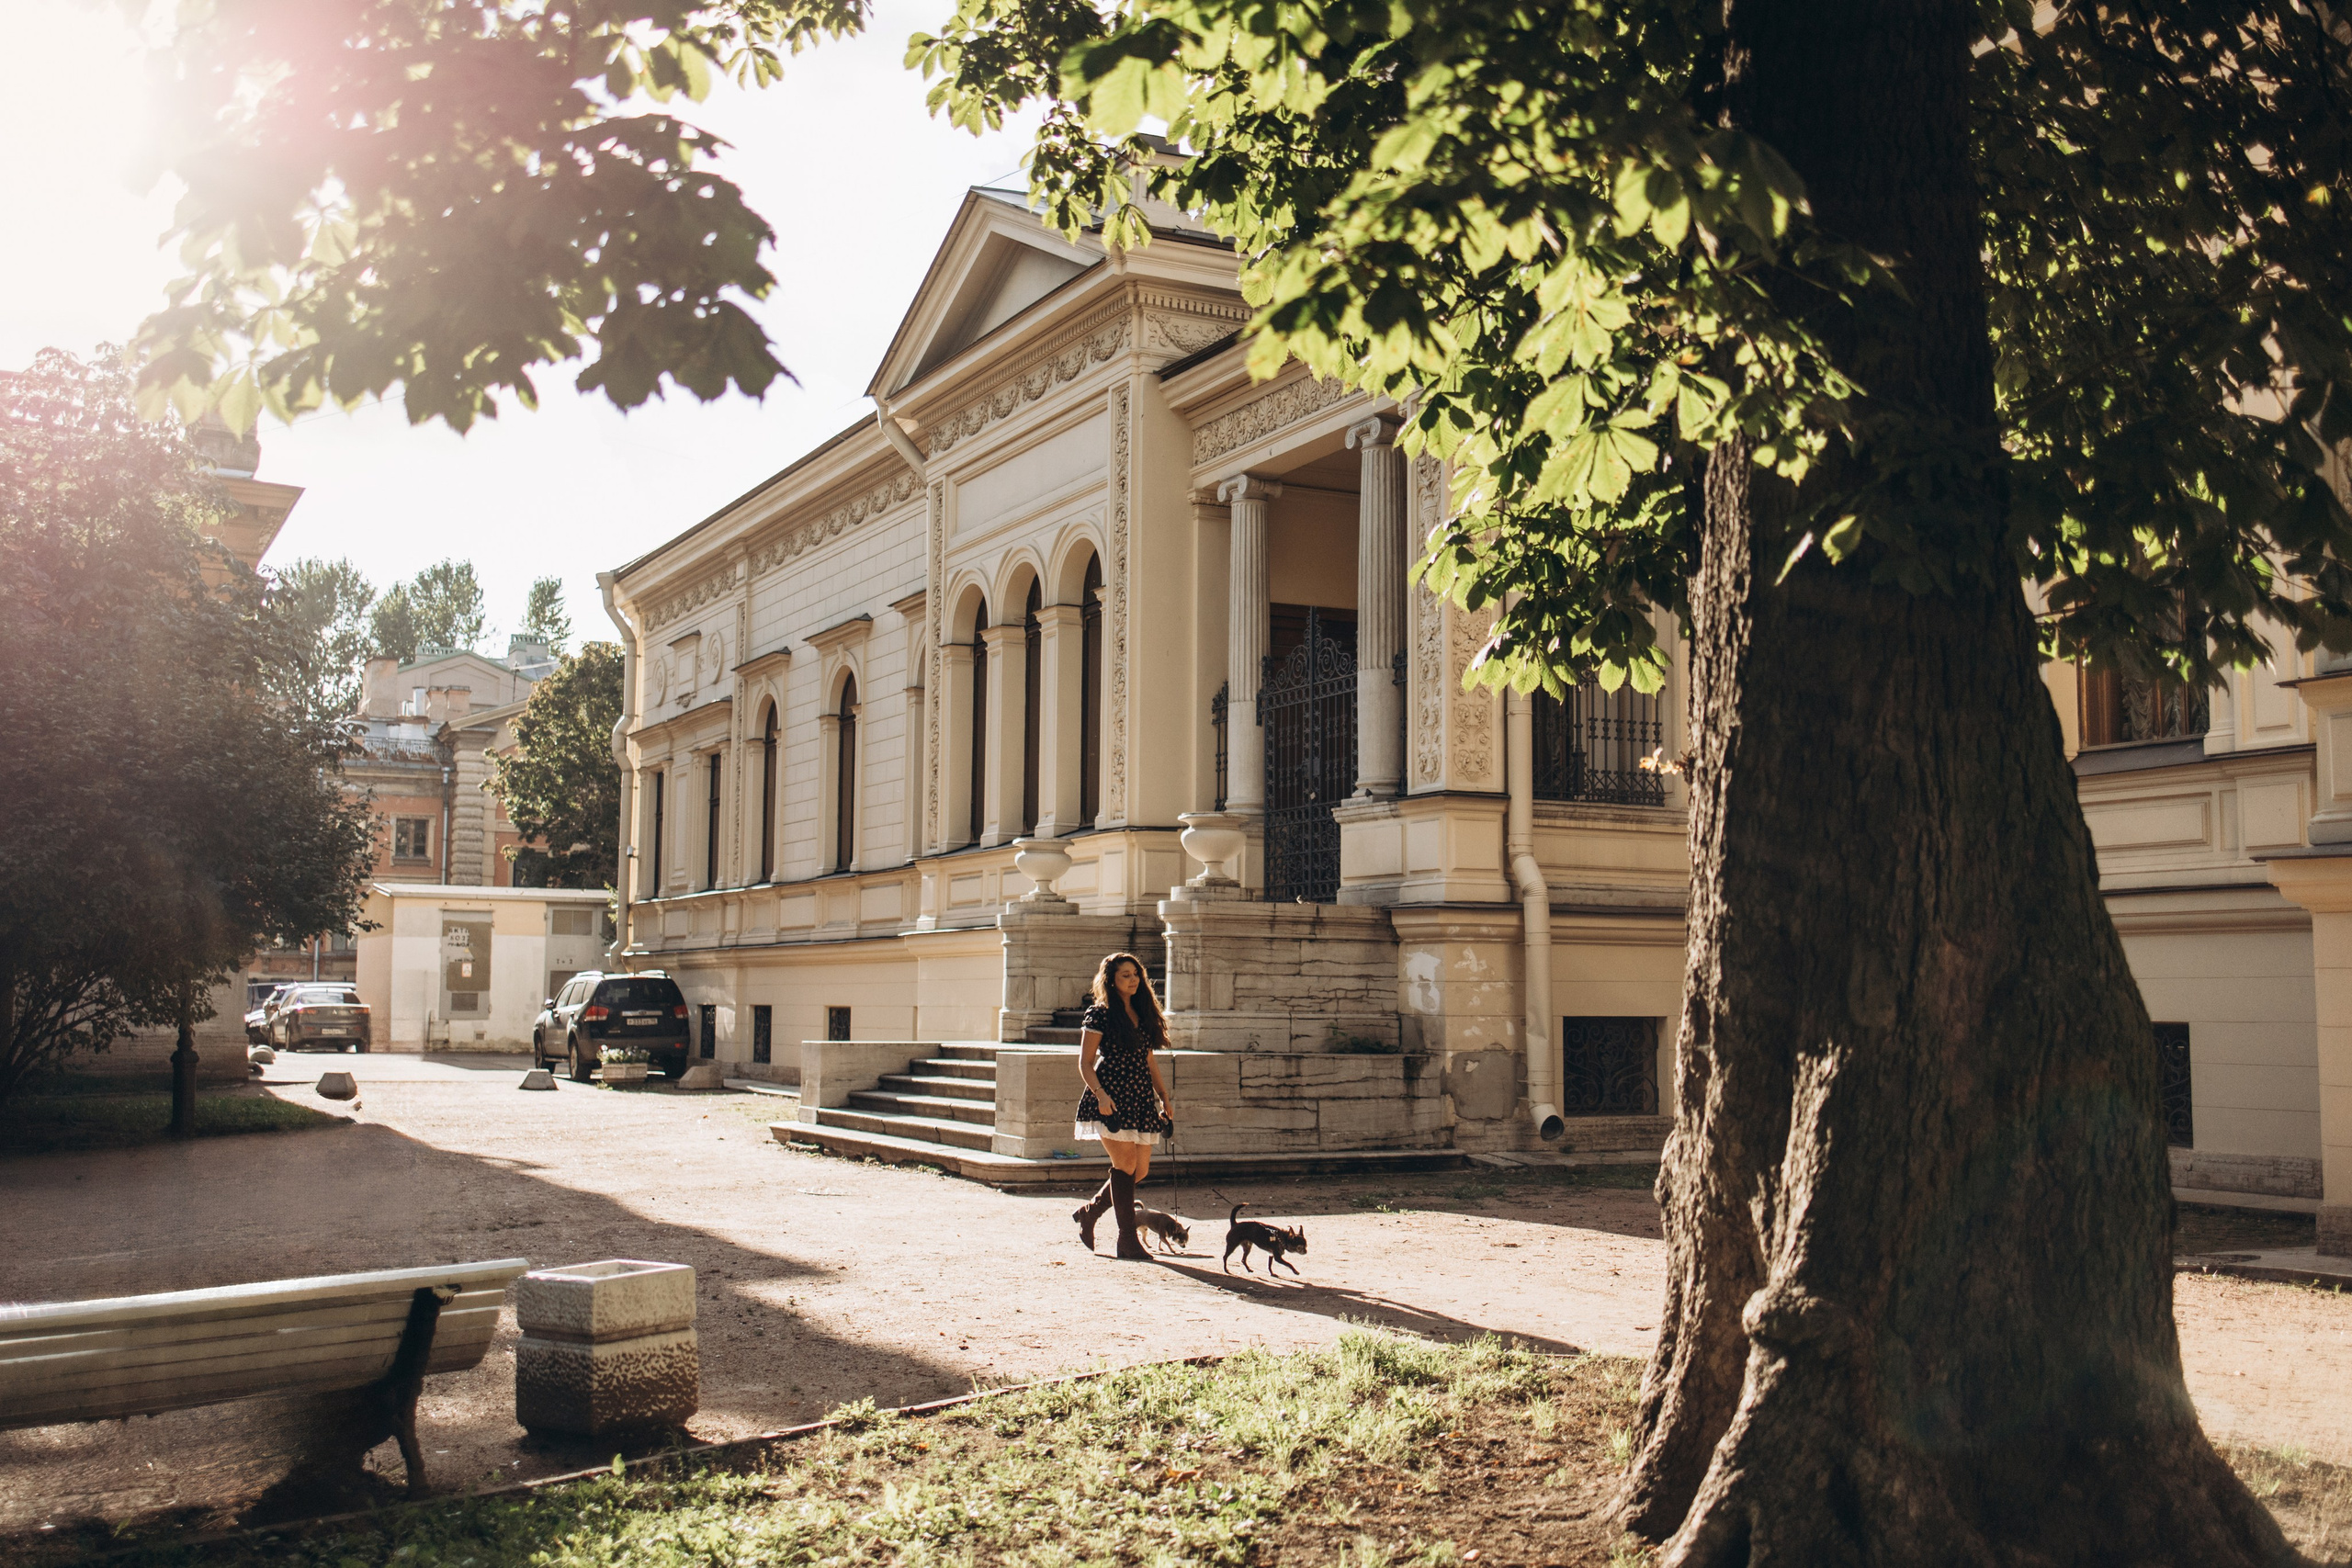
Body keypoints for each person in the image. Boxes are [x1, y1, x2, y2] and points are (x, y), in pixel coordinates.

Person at [1069, 951, 1175, 1261]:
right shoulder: (1100, 1014)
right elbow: (1085, 1063)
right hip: (1111, 1096)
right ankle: (1127, 1240)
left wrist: (1165, 1097)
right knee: (1125, 1167)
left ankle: (1089, 1213)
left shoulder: (1143, 1012)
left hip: (1141, 1097)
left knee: (1138, 1170)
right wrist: (1101, 1095)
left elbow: (1148, 1058)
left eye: (1135, 974)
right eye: (1125, 975)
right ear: (1111, 981)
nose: (1132, 980)